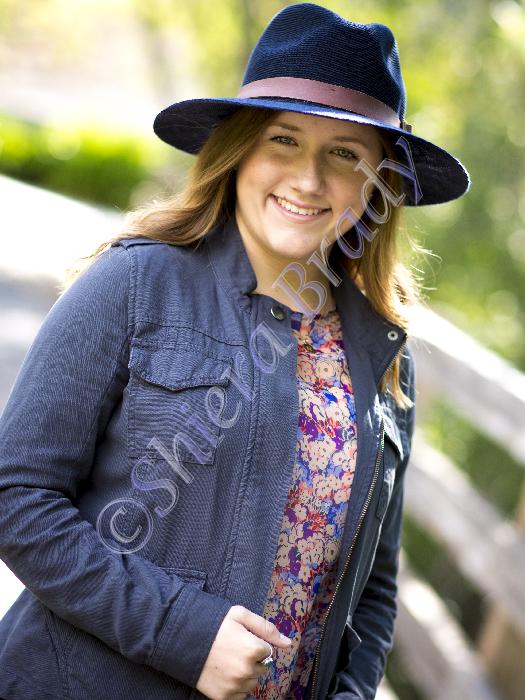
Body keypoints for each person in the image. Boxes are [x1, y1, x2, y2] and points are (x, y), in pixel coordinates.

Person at [0, 3, 470, 700]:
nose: (308, 178)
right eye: (284, 139)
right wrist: (182, 634)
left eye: (344, 153)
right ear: (240, 149)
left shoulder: (382, 350)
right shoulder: (136, 284)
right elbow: (17, 498)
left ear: (378, 183)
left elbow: (372, 586)